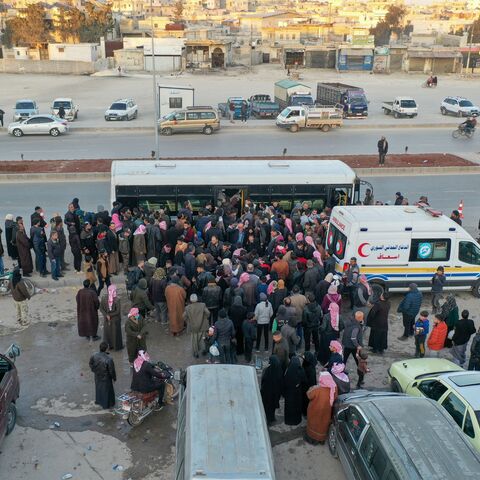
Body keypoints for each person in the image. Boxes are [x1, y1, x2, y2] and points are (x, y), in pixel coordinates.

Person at [305, 372, 338, 445]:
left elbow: (309, 395)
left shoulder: (317, 389)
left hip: (315, 410)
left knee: (314, 424)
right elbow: (335, 397)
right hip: (326, 411)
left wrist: (312, 387)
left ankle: (312, 439)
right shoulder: (334, 387)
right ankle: (321, 439)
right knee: (322, 425)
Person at [89, 342, 116, 409]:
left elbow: (90, 363)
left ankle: (98, 401)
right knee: (107, 392)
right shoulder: (109, 359)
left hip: (97, 376)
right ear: (106, 349)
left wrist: (94, 370)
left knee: (99, 389)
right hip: (106, 378)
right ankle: (106, 405)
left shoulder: (94, 355)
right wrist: (114, 378)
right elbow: (111, 370)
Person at [183, 294, 210, 358]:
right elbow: (208, 313)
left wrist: (188, 321)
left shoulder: (188, 308)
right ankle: (203, 350)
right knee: (203, 339)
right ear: (197, 299)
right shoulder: (202, 305)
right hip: (202, 326)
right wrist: (204, 319)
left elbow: (184, 316)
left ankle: (196, 353)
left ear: (190, 300)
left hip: (193, 327)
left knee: (194, 341)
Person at [282, 356, 306, 426]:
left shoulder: (288, 371)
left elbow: (284, 382)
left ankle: (288, 420)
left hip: (289, 394)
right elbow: (304, 380)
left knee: (289, 408)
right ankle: (296, 421)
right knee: (296, 407)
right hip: (297, 394)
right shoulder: (300, 370)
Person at [99, 284, 123, 351]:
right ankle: (116, 347)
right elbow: (117, 311)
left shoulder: (104, 298)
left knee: (108, 334)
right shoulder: (117, 300)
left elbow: (101, 308)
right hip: (115, 320)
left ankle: (109, 346)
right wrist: (110, 315)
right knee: (115, 334)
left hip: (107, 320)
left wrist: (106, 315)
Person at [260, 355, 283, 424]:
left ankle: (267, 419)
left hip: (267, 393)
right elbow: (281, 383)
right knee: (272, 407)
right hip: (275, 394)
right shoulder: (279, 370)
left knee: (267, 407)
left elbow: (263, 381)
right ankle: (272, 418)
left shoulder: (267, 370)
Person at [301, 351, 317, 416]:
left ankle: (306, 412)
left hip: (307, 387)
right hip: (308, 386)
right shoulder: (310, 363)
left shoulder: (309, 368)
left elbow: (310, 380)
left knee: (306, 400)